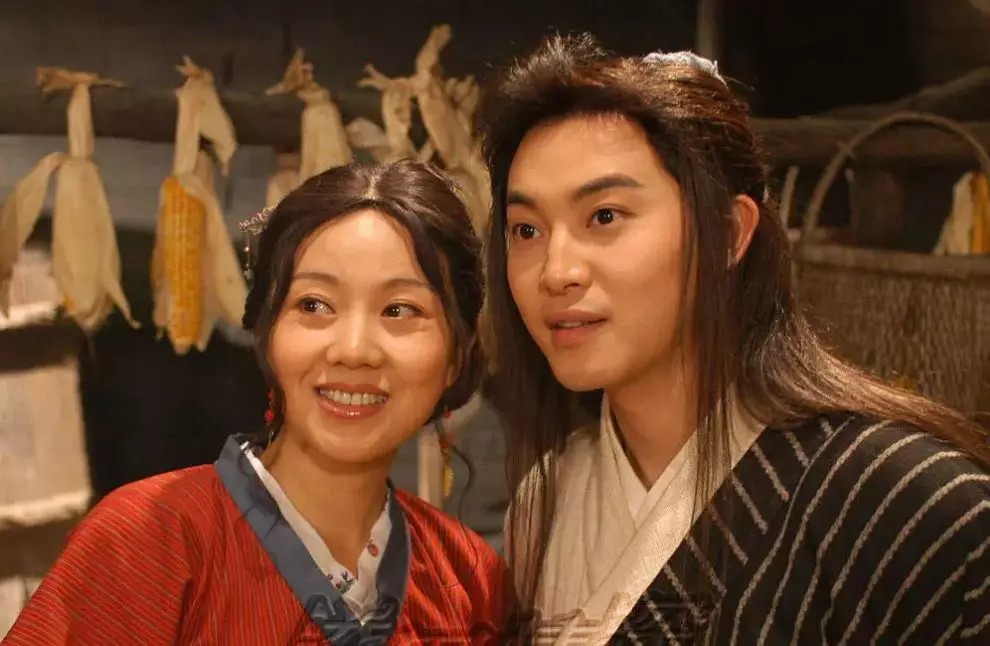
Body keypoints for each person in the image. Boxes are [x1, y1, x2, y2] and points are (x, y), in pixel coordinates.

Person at [476, 33, 990, 644]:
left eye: (604, 216)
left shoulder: (906, 500)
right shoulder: (548, 500)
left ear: (727, 232)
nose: (555, 271)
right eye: (526, 229)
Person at [3, 160, 509, 645]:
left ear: (456, 356)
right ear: (267, 335)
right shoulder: (146, 539)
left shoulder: (468, 579)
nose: (353, 349)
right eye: (314, 304)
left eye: (399, 310)